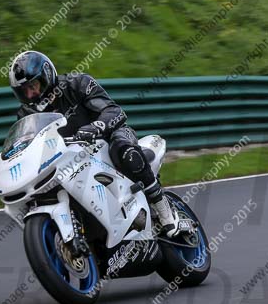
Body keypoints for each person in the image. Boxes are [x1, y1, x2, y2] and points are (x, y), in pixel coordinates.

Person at [9, 50, 180, 236]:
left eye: (33, 85)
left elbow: (114, 111)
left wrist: (96, 126)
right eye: (24, 91)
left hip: (106, 137)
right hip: (69, 158)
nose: (31, 93)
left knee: (125, 151)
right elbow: (28, 144)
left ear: (46, 75)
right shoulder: (26, 114)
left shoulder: (77, 84)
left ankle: (164, 211)